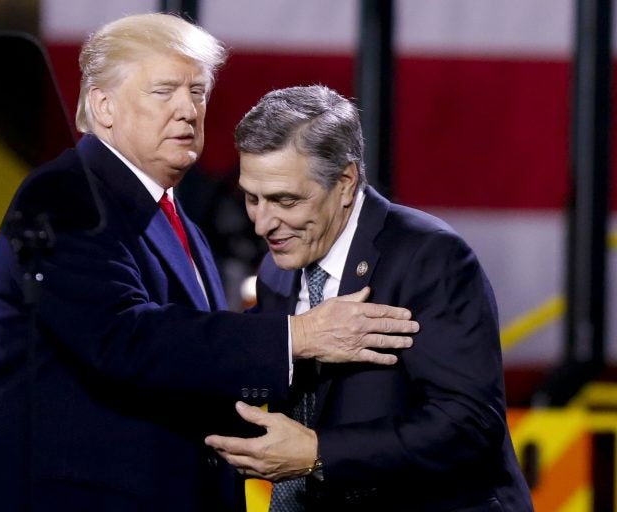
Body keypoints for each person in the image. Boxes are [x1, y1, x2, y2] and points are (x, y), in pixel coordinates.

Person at [0, 15, 420, 512]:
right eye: (164, 91)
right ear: (103, 106)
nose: (188, 109)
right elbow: (122, 337)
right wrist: (299, 337)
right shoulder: (66, 194)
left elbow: (186, 355)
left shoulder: (166, 210)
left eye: (198, 92)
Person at [205, 85, 534, 511]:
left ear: (344, 182)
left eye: (284, 200)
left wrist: (319, 452)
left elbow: (469, 424)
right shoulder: (275, 271)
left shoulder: (429, 256)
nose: (263, 224)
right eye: (252, 198)